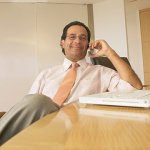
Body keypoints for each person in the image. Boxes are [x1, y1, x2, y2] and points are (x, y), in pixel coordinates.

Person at [0, 21, 142, 145]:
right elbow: (29, 108)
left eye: (83, 38)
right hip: (41, 126)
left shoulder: (102, 72)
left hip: (78, 128)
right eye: (72, 37)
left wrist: (109, 52)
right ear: (62, 42)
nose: (78, 41)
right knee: (37, 100)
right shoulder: (46, 74)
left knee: (38, 100)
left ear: (88, 45)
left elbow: (135, 88)